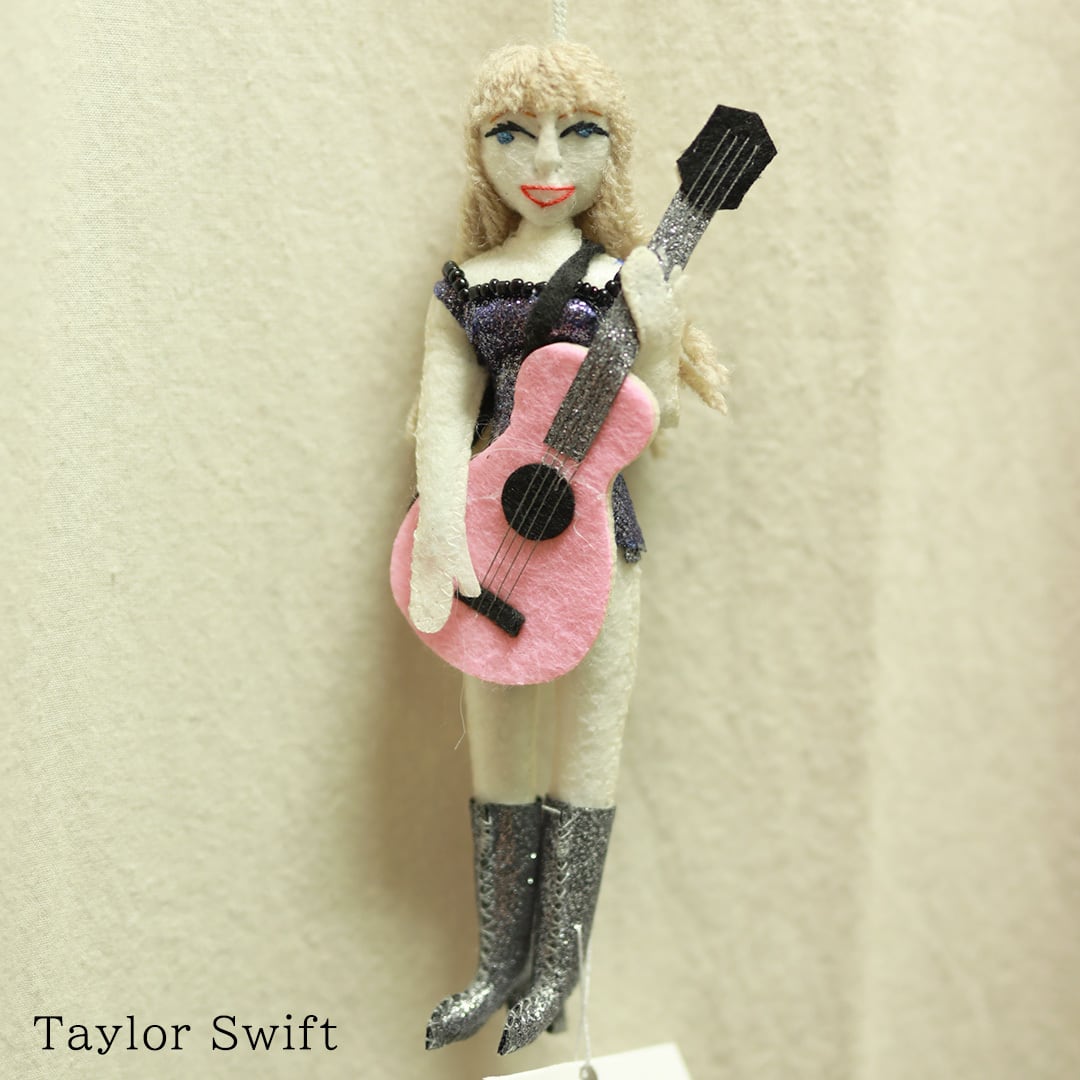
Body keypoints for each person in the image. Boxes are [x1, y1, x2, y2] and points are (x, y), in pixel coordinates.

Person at [405, 41, 727, 1055]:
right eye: (513, 133)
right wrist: (442, 530)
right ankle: (498, 960)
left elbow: (653, 423)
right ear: (479, 150)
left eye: (577, 132)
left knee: (591, 743)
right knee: (497, 746)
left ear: (613, 151)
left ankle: (559, 967)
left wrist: (659, 341)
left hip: (596, 546)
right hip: (486, 545)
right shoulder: (466, 284)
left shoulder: (625, 282)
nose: (545, 159)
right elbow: (440, 414)